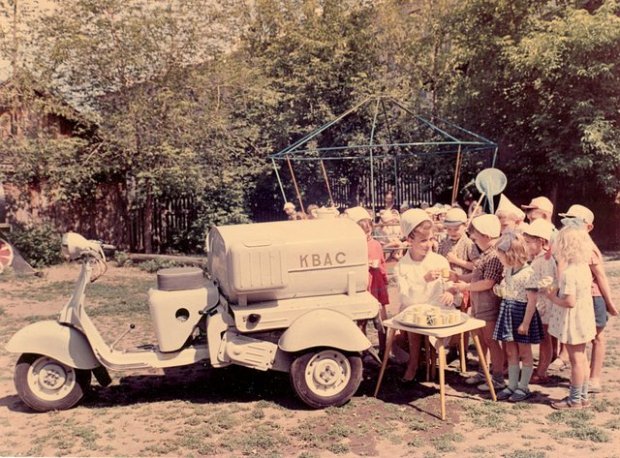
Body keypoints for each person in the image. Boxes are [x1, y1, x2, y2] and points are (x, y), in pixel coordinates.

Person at [557, 205, 618, 393]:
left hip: (592, 297)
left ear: (588, 226)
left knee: (597, 337)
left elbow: (600, 276)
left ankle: (594, 378)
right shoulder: (568, 243)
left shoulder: (589, 249)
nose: (569, 225)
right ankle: (579, 380)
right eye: (567, 220)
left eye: (575, 221)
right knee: (576, 339)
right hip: (575, 296)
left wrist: (609, 303)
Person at [395, 209, 454, 383]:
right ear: (409, 240)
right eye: (423, 241)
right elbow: (405, 297)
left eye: (431, 239)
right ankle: (415, 362)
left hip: (437, 307)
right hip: (413, 308)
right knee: (411, 319)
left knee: (430, 319)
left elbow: (449, 284)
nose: (428, 245)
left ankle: (428, 357)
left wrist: (450, 292)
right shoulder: (402, 266)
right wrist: (423, 280)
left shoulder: (439, 260)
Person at [543, 225, 597, 409]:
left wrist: (552, 297)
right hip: (584, 318)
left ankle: (574, 400)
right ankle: (582, 396)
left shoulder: (569, 273)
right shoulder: (583, 267)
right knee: (582, 358)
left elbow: (569, 301)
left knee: (576, 361)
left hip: (574, 321)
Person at [450, 214, 505, 392]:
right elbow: (476, 275)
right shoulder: (485, 254)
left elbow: (488, 282)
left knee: (491, 341)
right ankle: (483, 372)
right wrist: (459, 278)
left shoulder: (494, 256)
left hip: (488, 306)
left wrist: (466, 286)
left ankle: (498, 378)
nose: (473, 239)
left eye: (476, 236)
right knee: (480, 341)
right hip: (478, 305)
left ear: (486, 236)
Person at [492, 231, 544, 402]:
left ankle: (523, 387)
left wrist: (525, 323)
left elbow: (532, 301)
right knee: (510, 350)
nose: (499, 259)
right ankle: (512, 385)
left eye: (501, 256)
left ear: (511, 255)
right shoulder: (509, 270)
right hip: (508, 313)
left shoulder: (529, 273)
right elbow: (508, 288)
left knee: (525, 352)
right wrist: (500, 291)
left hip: (522, 314)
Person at [522, 219, 557, 384]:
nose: (527, 245)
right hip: (537, 303)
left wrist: (532, 286)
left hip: (545, 304)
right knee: (541, 337)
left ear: (541, 241)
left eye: (529, 242)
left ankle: (542, 371)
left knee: (544, 338)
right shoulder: (536, 258)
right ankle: (539, 368)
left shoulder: (546, 259)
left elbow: (549, 281)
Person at [437, 207, 479, 310]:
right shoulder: (444, 242)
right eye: (449, 229)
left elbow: (476, 266)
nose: (452, 232)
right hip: (445, 283)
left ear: (465, 226)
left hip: (461, 284)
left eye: (456, 229)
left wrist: (456, 261)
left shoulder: (468, 244)